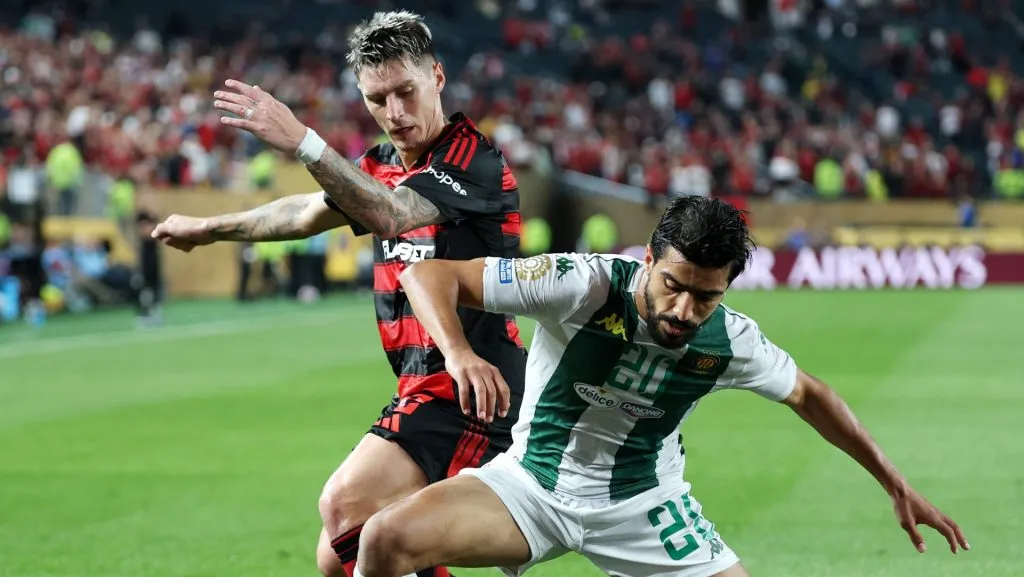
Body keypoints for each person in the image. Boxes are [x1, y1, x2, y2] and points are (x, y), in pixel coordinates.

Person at [358, 196, 970, 577]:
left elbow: (810, 394)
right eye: (673, 285)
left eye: (706, 296)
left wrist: (895, 484)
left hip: (642, 505)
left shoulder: (731, 340)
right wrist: (460, 353)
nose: (683, 309)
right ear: (648, 260)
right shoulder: (583, 284)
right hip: (531, 488)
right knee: (385, 540)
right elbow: (428, 276)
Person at [150, 10, 526, 577]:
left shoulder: (472, 160)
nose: (394, 113)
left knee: (345, 505)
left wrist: (304, 142)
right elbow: (302, 213)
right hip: (419, 385)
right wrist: (209, 228)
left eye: (406, 92)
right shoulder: (377, 165)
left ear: (437, 77)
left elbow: (392, 214)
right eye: (377, 99)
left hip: (475, 385)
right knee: (339, 557)